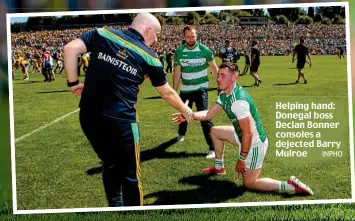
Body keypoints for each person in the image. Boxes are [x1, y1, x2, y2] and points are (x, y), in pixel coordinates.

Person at [63, 12, 194, 207]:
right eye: (156, 34)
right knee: (131, 174)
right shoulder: (150, 57)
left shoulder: (102, 33)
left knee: (110, 163)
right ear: (148, 29)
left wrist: (73, 83)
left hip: (89, 116)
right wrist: (186, 110)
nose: (156, 40)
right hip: (121, 121)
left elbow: (70, 48)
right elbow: (166, 92)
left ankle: (115, 206)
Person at [172, 62, 314, 196]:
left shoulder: (238, 102)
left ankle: (289, 185)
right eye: (218, 75)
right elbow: (209, 114)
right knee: (214, 131)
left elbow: (248, 133)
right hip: (242, 136)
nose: (218, 78)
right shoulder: (225, 93)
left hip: (254, 144)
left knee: (249, 183)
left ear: (234, 78)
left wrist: (241, 159)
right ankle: (219, 167)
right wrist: (190, 115)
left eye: (223, 76)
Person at [173, 25, 219, 159]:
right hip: (186, 89)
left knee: (205, 117)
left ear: (196, 36)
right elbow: (177, 71)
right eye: (188, 37)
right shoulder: (180, 51)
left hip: (200, 89)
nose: (191, 39)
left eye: (193, 36)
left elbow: (214, 69)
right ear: (184, 37)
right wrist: (174, 91)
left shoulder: (205, 50)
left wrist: (220, 86)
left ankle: (212, 148)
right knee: (183, 114)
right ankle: (181, 134)